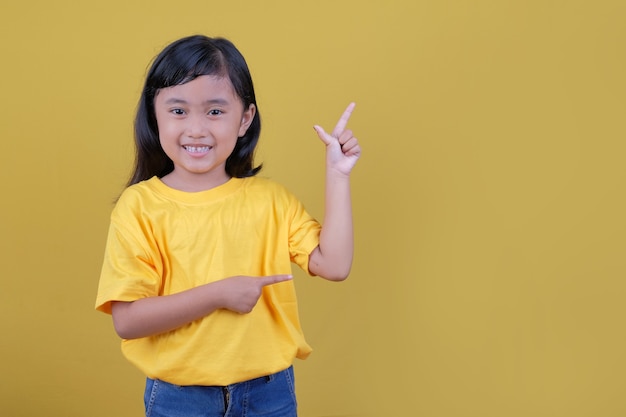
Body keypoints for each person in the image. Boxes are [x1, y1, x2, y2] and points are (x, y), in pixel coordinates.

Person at [95, 34, 360, 417]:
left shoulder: (271, 200)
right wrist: (218, 294)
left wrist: (337, 174)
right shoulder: (140, 207)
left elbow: (334, 266)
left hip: (269, 394)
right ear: (155, 115)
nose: (197, 129)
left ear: (245, 119)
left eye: (215, 111)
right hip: (179, 398)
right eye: (178, 110)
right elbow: (128, 320)